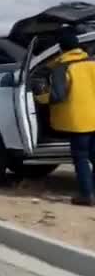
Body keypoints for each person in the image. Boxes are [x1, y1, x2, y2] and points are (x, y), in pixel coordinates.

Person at [34, 26, 95, 206]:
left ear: (61, 48)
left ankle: (86, 195)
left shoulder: (62, 68)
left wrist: (40, 98)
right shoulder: (92, 63)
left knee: (81, 158)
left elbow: (58, 95)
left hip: (78, 123)